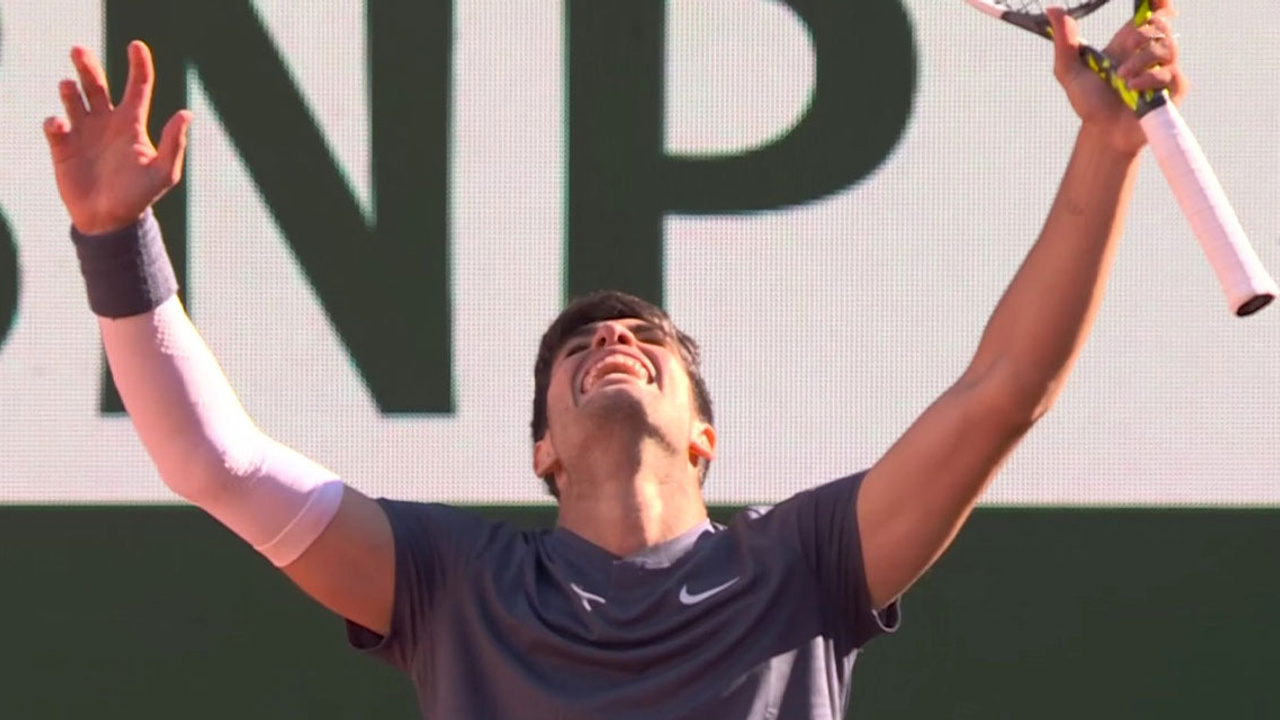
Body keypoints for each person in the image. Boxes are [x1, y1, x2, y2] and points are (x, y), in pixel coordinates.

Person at [44, 4, 1184, 718]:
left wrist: (1105, 149)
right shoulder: (451, 585)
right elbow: (215, 463)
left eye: (647, 339)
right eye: (577, 344)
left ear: (704, 436)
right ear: (540, 448)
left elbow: (1001, 393)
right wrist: (111, 237)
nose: (612, 339)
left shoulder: (804, 563)